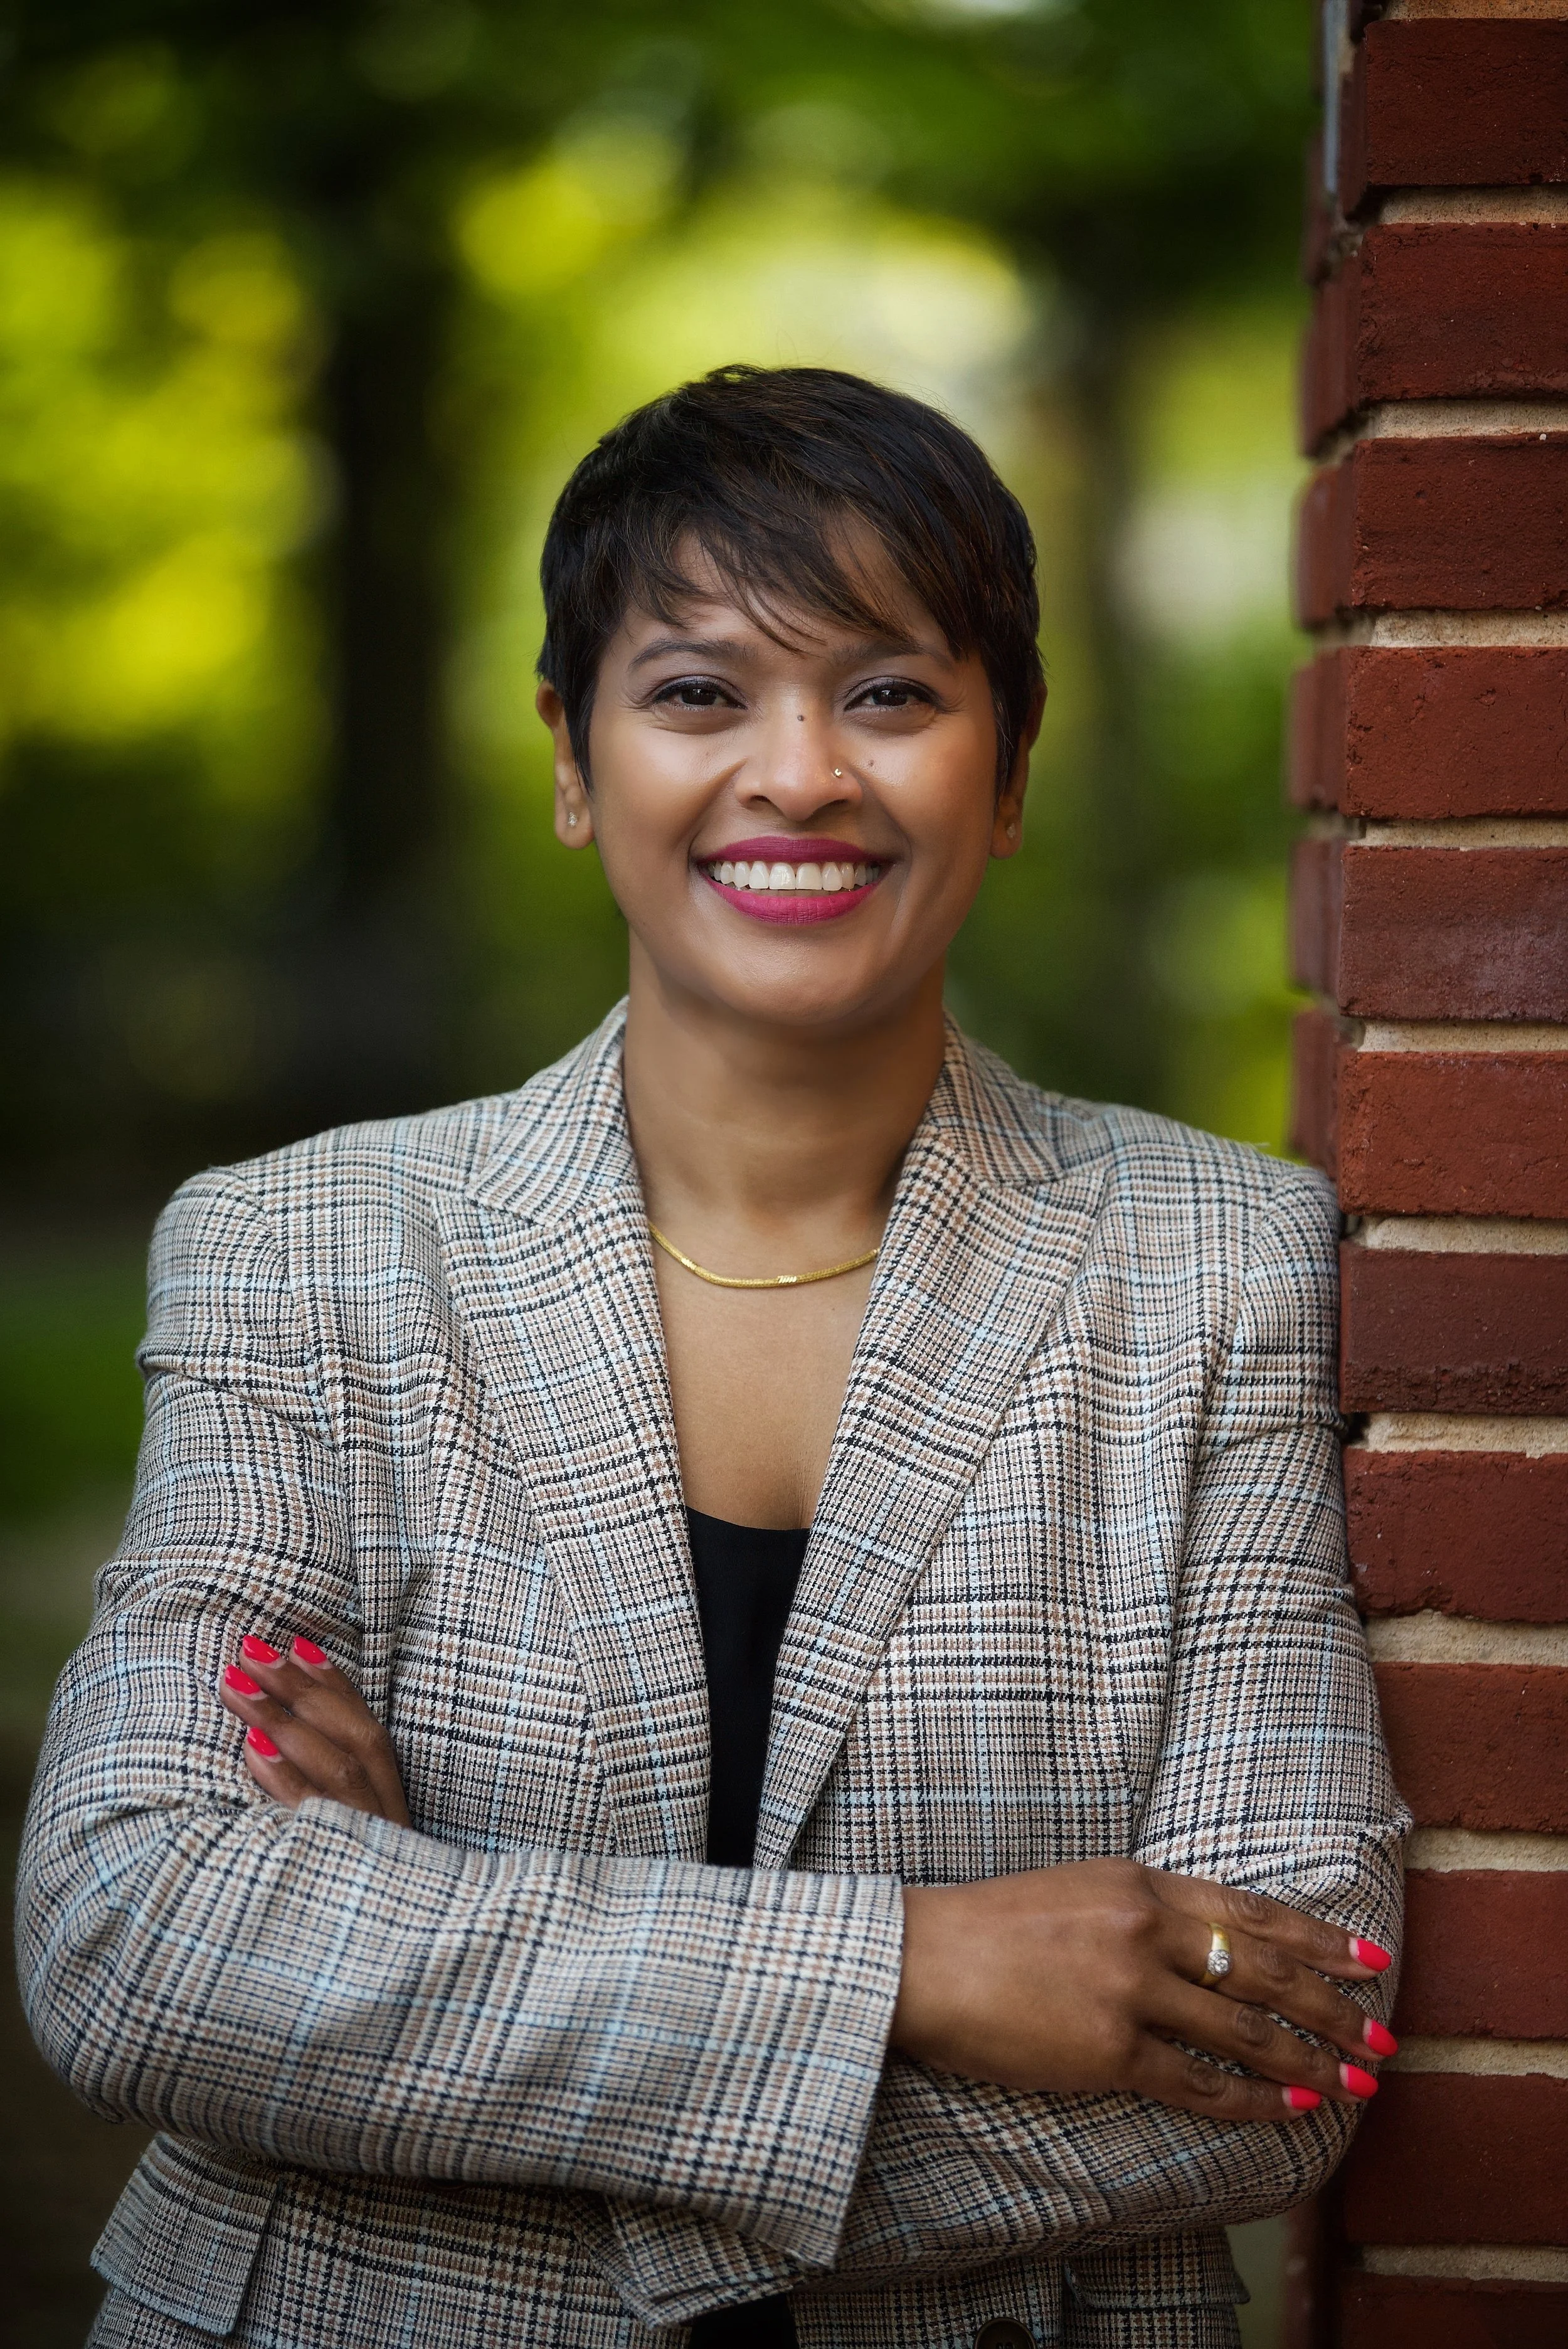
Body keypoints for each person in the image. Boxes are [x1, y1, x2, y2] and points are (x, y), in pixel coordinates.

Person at [19, 365, 1404, 2349]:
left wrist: (426, 1987)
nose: (799, 774)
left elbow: (1288, 2042)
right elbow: (136, 1941)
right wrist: (919, 1971)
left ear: (1003, 772)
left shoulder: (1216, 1267)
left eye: (890, 694)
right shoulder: (301, 1251)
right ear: (573, 758)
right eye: (694, 692)